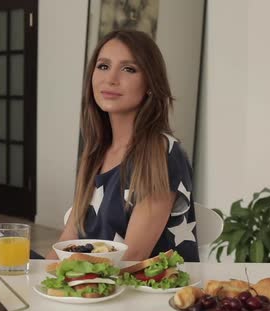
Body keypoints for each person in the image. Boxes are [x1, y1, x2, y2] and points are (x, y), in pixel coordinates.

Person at [46, 30, 199, 262]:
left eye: (129, 69)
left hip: (134, 288)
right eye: (103, 66)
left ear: (150, 83)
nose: (110, 79)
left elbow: (132, 256)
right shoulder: (96, 152)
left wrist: (66, 277)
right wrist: (43, 280)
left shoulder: (163, 153)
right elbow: (68, 239)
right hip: (88, 281)